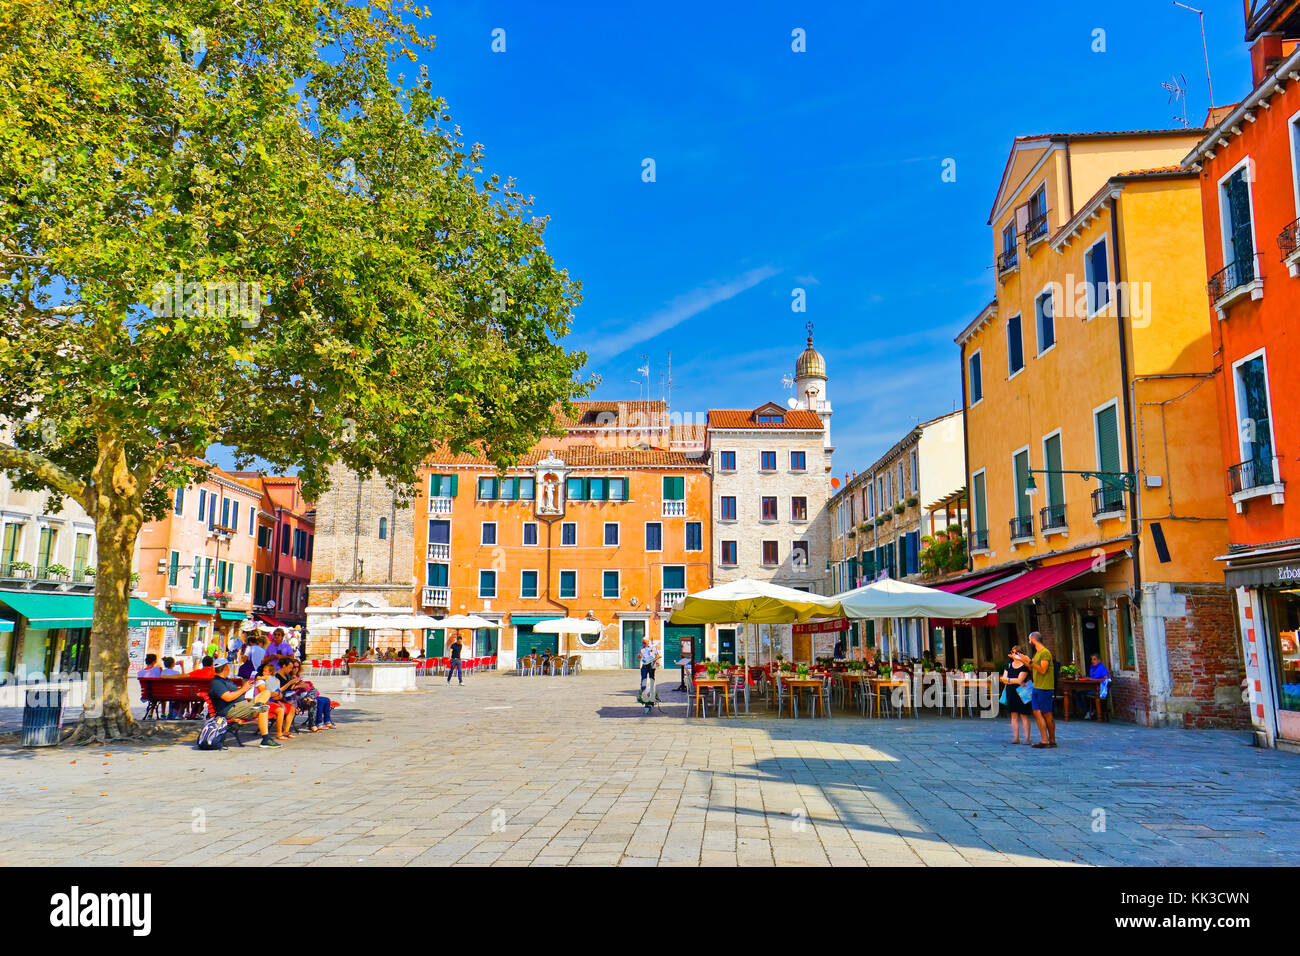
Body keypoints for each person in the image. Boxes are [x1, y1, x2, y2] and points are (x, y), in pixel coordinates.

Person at [207, 658, 276, 748]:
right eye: (228, 666)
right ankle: (265, 739)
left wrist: (246, 687)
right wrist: (243, 688)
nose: (229, 668)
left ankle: (257, 706)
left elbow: (235, 694)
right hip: (232, 709)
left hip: (242, 705)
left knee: (266, 692)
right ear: (225, 668)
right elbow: (227, 698)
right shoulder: (217, 682)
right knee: (263, 708)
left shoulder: (225, 680)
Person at [1015, 632, 1056, 748]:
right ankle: (1045, 739)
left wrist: (1030, 661)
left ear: (1033, 639)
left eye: (1029, 639)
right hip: (1037, 686)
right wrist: (1023, 660)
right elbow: (1032, 667)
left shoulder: (1045, 653)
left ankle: (1051, 739)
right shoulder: (1037, 653)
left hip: (1045, 687)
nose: (1029, 641)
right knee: (1037, 712)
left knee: (1047, 714)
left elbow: (1043, 670)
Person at [254, 660, 295, 740]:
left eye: (266, 671)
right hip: (260, 703)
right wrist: (277, 693)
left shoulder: (273, 680)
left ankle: (286, 731)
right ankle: (279, 734)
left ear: (271, 673)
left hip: (270, 702)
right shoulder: (260, 681)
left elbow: (278, 693)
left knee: (291, 708)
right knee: (280, 710)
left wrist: (279, 692)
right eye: (263, 671)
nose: (263, 673)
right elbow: (266, 693)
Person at [999, 645, 1032, 744]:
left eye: (1016, 653)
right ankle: (1016, 737)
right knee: (1013, 715)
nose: (1014, 654)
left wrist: (1008, 680)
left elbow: (1020, 680)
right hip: (1011, 691)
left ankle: (1027, 738)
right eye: (1013, 652)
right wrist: (1012, 680)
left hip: (1022, 692)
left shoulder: (1024, 666)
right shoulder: (1008, 665)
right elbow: (1003, 679)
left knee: (1024, 715)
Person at [1073, 653, 1111, 720]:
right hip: (1092, 688)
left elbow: (1106, 679)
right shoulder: (1092, 668)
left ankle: (1090, 711)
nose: (1092, 661)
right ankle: (1089, 710)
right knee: (1077, 694)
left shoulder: (1101, 668)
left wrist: (1092, 679)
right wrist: (1082, 677)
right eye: (1092, 659)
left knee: (1082, 694)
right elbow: (1091, 677)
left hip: (1099, 690)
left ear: (1099, 660)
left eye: (1094, 659)